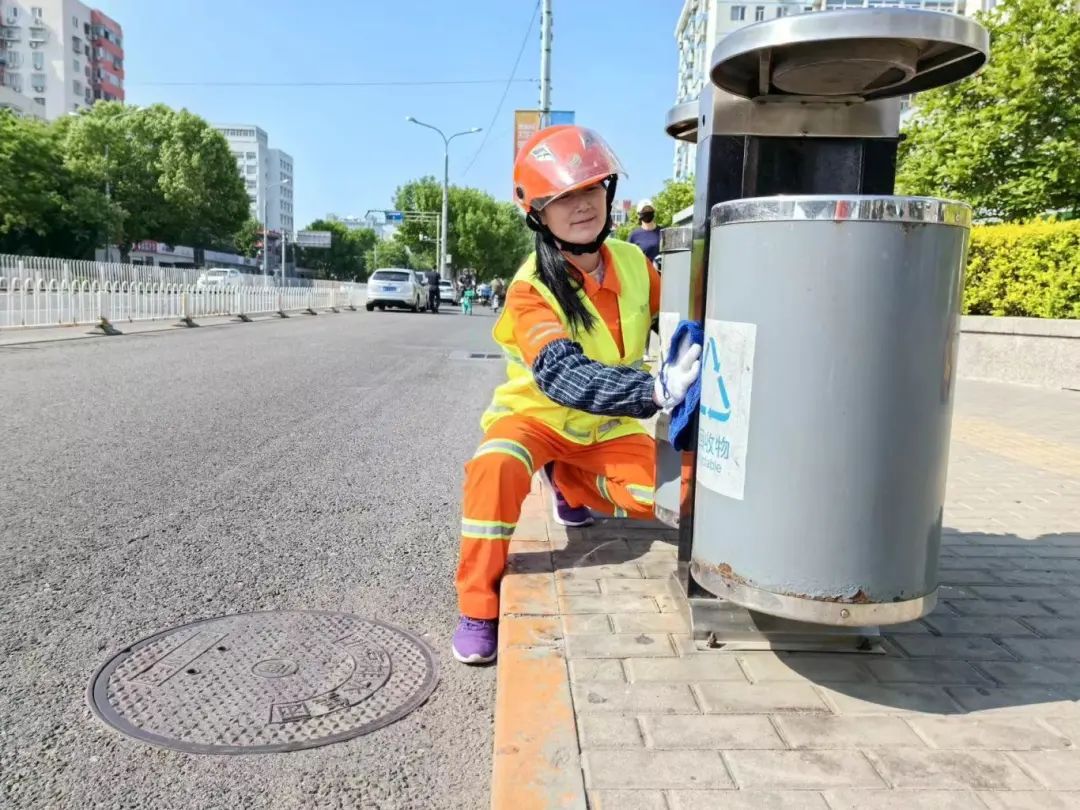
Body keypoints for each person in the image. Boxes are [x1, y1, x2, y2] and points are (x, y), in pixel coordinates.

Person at [451, 125, 701, 664]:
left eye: (589, 189)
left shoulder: (636, 264)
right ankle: (477, 607)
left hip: (603, 429)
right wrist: (654, 389)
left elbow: (675, 321)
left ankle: (568, 481)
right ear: (538, 214)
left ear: (608, 193)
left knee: (670, 497)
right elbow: (563, 374)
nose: (580, 205)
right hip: (535, 419)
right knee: (494, 468)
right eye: (562, 197)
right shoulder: (530, 288)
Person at [628, 199, 660, 265]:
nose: (647, 212)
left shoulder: (663, 232)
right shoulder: (634, 236)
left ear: (653, 212)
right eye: (644, 211)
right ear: (638, 214)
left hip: (661, 274)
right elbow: (629, 258)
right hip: (642, 273)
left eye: (649, 210)